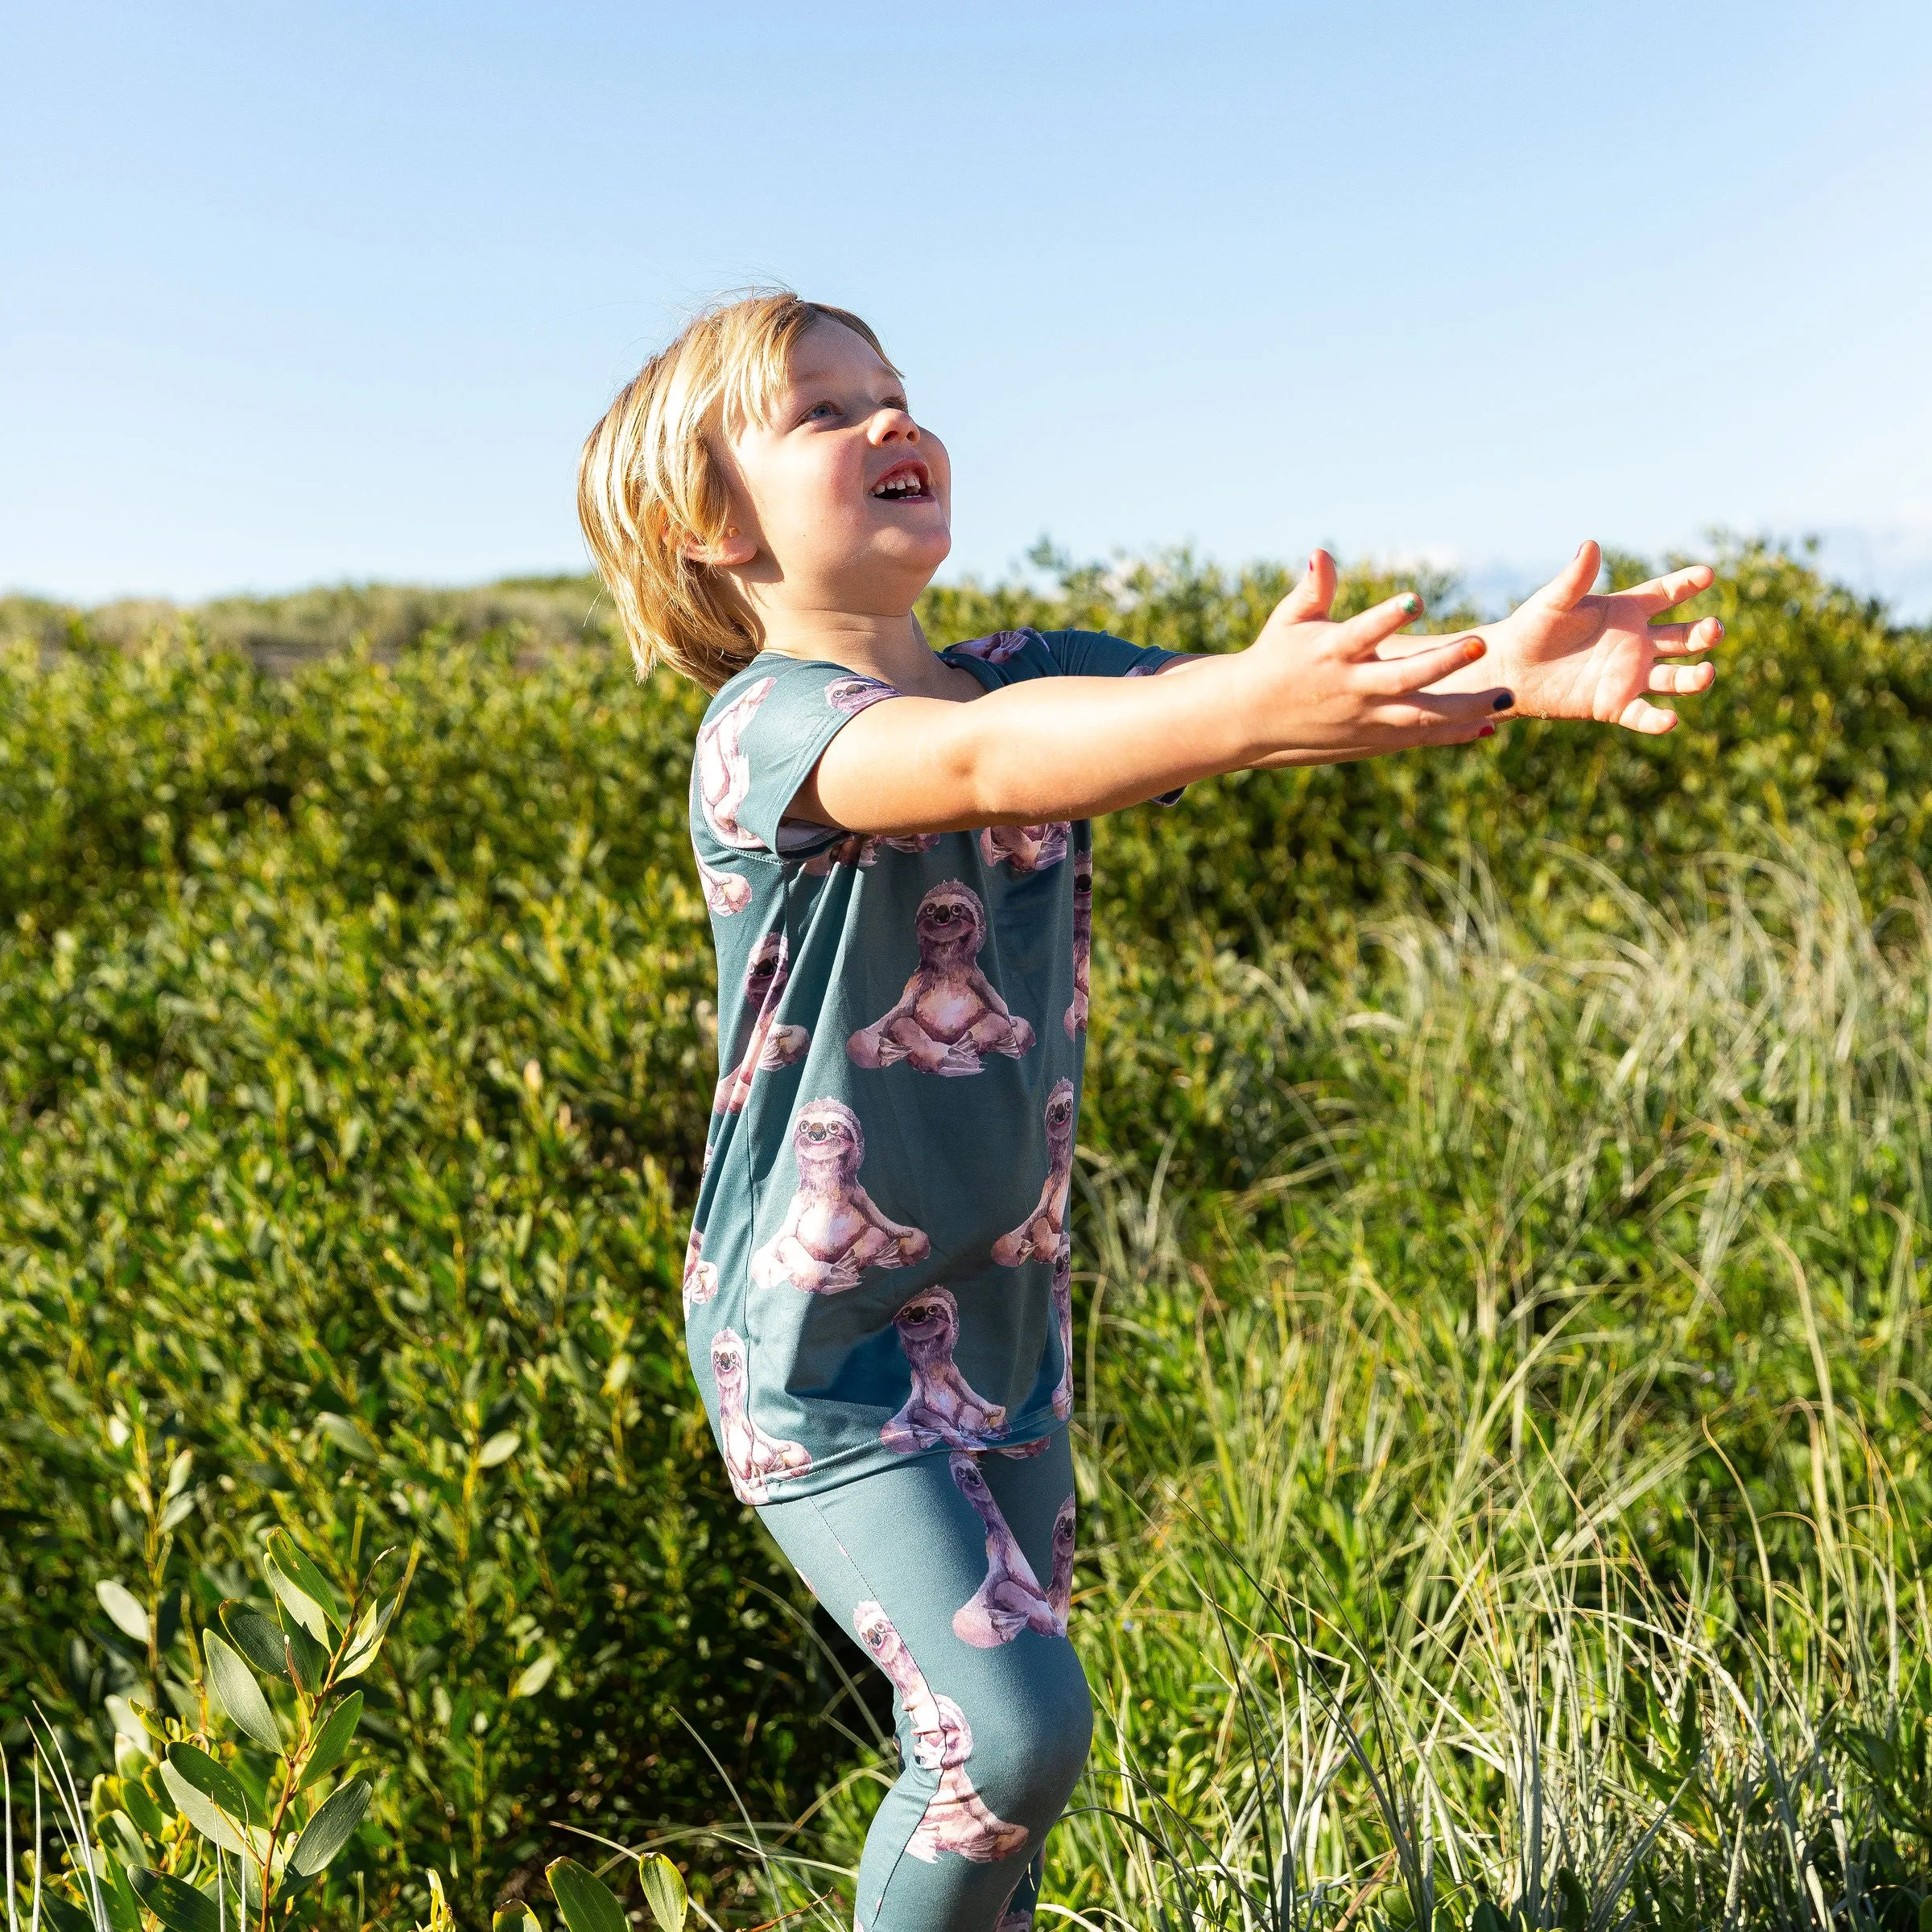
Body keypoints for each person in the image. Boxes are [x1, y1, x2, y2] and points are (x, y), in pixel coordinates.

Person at [576, 291, 1721, 1932]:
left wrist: (1503, 675)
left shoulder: (1035, 672)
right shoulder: (766, 735)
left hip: (1000, 1319)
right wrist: (1237, 710)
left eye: (896, 393)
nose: (890, 423)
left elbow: (1221, 700)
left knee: (1002, 1795)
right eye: (824, 414)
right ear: (709, 527)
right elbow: (988, 768)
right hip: (814, 1345)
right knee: (1008, 1741)